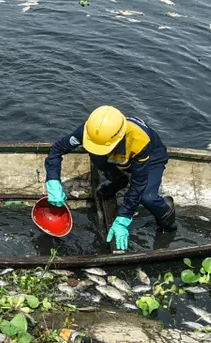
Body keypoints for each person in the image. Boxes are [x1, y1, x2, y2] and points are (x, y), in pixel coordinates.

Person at [43, 105, 175, 252]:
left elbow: (138, 183)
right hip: (121, 157)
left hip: (151, 159)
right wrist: (53, 180)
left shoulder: (139, 140)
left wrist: (123, 217)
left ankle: (168, 218)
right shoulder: (90, 131)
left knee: (147, 197)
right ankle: (119, 180)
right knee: (97, 157)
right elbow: (56, 150)